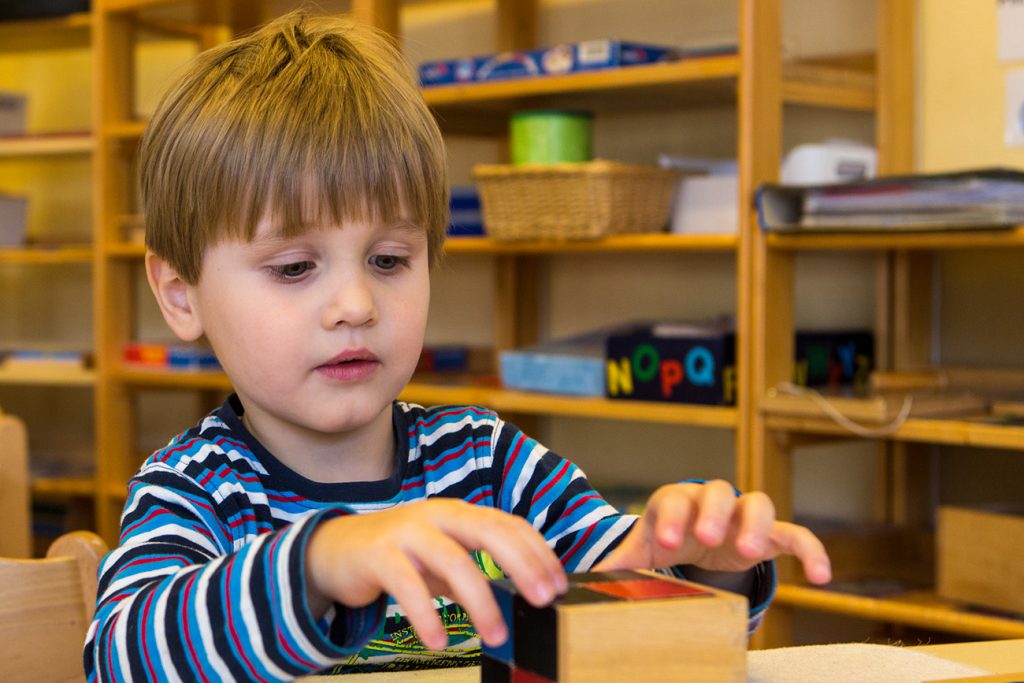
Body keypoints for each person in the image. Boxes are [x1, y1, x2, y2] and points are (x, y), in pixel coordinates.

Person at [84, 11, 831, 681]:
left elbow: (622, 590)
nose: (354, 305)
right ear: (181, 294)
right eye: (294, 267)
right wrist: (318, 563)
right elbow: (121, 655)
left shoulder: (488, 462)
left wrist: (700, 564)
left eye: (388, 259)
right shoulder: (194, 489)